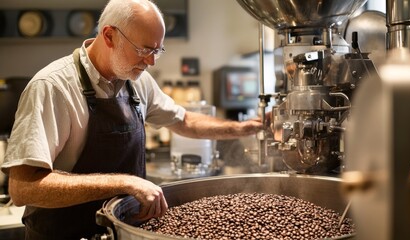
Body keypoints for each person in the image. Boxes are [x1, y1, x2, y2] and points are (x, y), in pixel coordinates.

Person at [0, 0, 264, 239]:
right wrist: (125, 182)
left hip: (122, 232)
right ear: (109, 35)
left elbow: (184, 121)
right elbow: (24, 188)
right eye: (143, 49)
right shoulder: (52, 87)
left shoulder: (137, 81)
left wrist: (245, 128)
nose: (150, 61)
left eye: (157, 51)